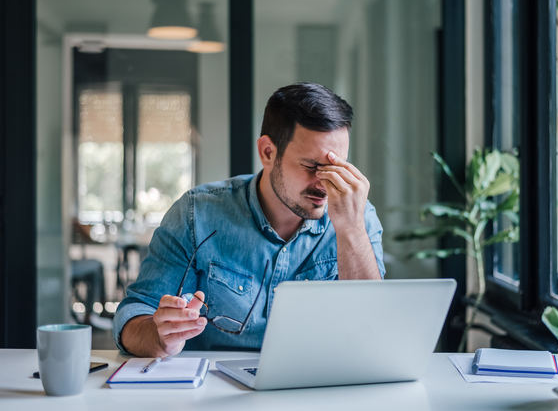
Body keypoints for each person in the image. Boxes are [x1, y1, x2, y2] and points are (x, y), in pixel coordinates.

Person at [113, 82, 385, 357]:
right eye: (312, 166)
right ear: (268, 152)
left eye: (337, 167)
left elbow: (375, 329)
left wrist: (351, 230)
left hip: (317, 389)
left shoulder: (358, 216)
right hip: (215, 392)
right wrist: (160, 337)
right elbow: (134, 315)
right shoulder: (197, 214)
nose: (325, 184)